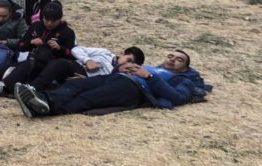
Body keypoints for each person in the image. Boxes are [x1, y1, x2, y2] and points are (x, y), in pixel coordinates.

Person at [16, 50, 212, 118]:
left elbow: (178, 98)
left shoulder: (183, 79)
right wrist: (122, 68)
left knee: (88, 98)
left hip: (133, 89)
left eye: (179, 59)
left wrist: (149, 77)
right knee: (77, 86)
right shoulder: (153, 66)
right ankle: (40, 99)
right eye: (171, 56)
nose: (173, 59)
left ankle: (45, 109)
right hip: (117, 78)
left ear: (185, 68)